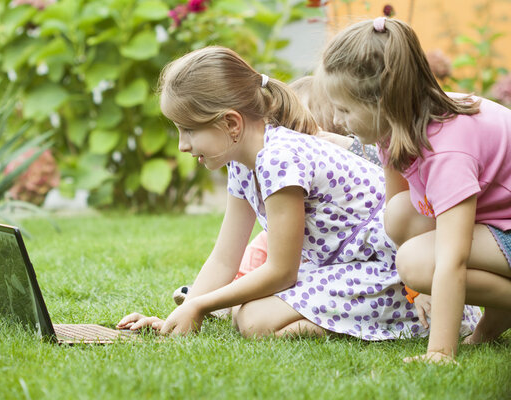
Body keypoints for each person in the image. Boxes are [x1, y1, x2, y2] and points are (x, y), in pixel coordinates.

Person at [117, 45, 480, 341]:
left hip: (393, 270)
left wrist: (199, 306)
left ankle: (390, 322)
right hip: (342, 266)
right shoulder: (244, 164)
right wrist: (179, 313)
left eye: (188, 130)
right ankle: (323, 319)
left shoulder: (279, 158)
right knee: (247, 312)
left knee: (255, 320)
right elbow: (225, 259)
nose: (182, 145)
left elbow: (281, 272)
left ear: (230, 122)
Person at [318, 16, 511, 363]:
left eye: (345, 109)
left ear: (383, 102)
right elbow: (400, 214)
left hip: (504, 228)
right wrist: (416, 291)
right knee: (400, 214)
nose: (336, 120)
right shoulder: (394, 129)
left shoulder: (448, 149)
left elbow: (453, 257)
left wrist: (439, 351)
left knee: (418, 261)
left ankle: (498, 310)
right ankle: (497, 315)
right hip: (500, 223)